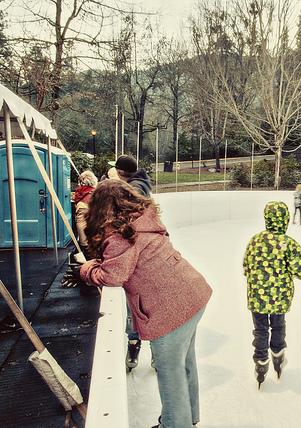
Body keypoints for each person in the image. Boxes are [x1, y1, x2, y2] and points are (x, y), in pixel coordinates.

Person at [73, 179, 212, 427]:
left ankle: (174, 424)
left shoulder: (120, 237)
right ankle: (188, 418)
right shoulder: (143, 220)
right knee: (185, 364)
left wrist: (85, 270)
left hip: (170, 310)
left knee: (171, 376)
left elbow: (112, 276)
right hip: (192, 295)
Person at [243, 201, 301, 388]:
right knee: (278, 326)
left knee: (260, 329)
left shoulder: (255, 240)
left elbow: (246, 266)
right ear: (286, 219)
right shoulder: (289, 244)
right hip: (279, 298)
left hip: (257, 298)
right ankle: (278, 355)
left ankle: (261, 361)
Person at [108, 155, 153, 369]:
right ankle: (138, 343)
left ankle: (139, 343)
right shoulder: (137, 184)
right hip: (140, 252)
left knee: (138, 303)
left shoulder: (135, 189)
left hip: (140, 254)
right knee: (140, 302)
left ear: (120, 172)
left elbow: (127, 211)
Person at [74, 171, 97, 256]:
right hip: (92, 207)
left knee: (81, 225)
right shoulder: (95, 192)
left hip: (81, 207)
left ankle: (84, 246)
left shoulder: (79, 191)